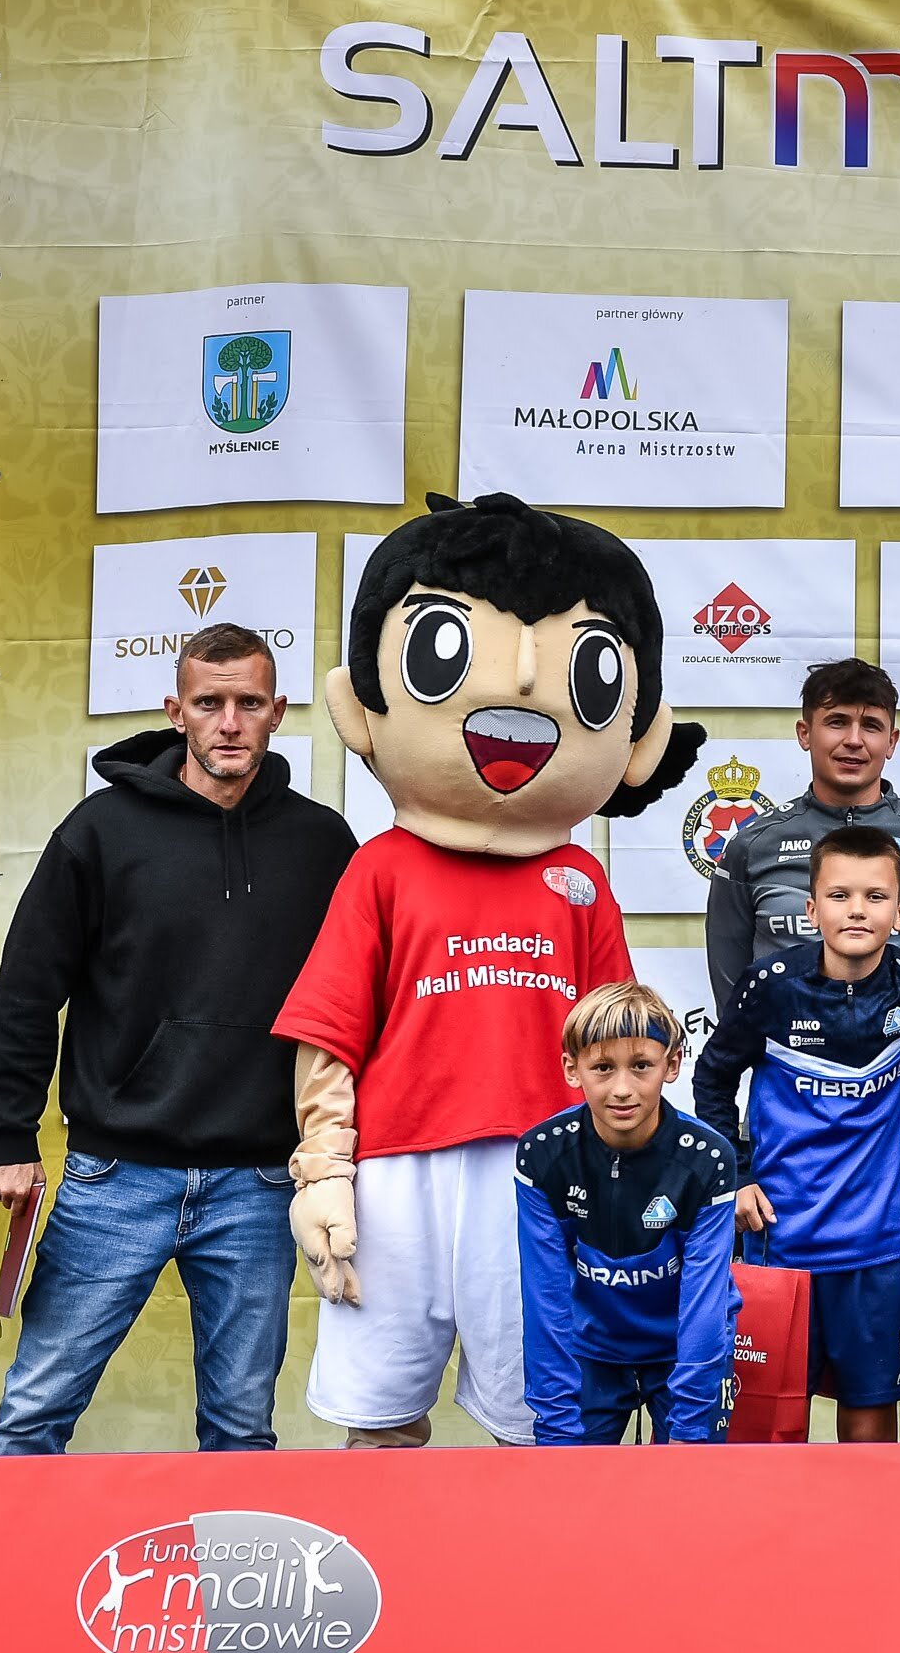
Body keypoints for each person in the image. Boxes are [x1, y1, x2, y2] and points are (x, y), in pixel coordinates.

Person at [276, 494, 699, 1449]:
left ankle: (530, 1554)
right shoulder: (381, 868)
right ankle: (381, 1550)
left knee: (541, 1421)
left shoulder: (579, 879)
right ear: (361, 705)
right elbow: (331, 1033)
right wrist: (324, 1171)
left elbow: (621, 1046)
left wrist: (627, 1171)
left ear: (637, 737)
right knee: (380, 1421)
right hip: (395, 1172)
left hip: (544, 1172)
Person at [0, 622, 357, 1454]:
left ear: (278, 712)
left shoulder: (322, 844)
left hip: (261, 1182)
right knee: (33, 1416)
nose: (230, 722)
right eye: (209, 703)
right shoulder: (100, 832)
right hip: (115, 1176)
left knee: (241, 1430)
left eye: (248, 703)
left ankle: (232, 1554)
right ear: (175, 712)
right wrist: (7, 1135)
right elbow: (28, 990)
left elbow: (359, 1005)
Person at [693, 826, 900, 1442]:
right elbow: (711, 1078)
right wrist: (736, 1177)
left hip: (882, 1248)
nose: (857, 910)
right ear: (811, 909)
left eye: (876, 896)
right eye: (840, 895)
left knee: (869, 1425)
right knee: (768, 1427)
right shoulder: (772, 984)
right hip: (780, 1240)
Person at [514, 982, 741, 1446]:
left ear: (672, 1065)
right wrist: (557, 1421)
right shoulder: (542, 1154)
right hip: (590, 1350)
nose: (622, 1089)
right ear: (572, 1069)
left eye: (641, 1066)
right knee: (570, 1482)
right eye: (602, 1067)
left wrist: (690, 1426)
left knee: (686, 1485)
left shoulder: (708, 1158)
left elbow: (705, 1302)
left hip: (683, 1354)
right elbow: (544, 1298)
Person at [702, 658, 900, 1007]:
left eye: (871, 726)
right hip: (785, 1042)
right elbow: (733, 999)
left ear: (891, 741)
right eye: (837, 722)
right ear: (805, 733)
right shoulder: (751, 846)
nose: (854, 740)